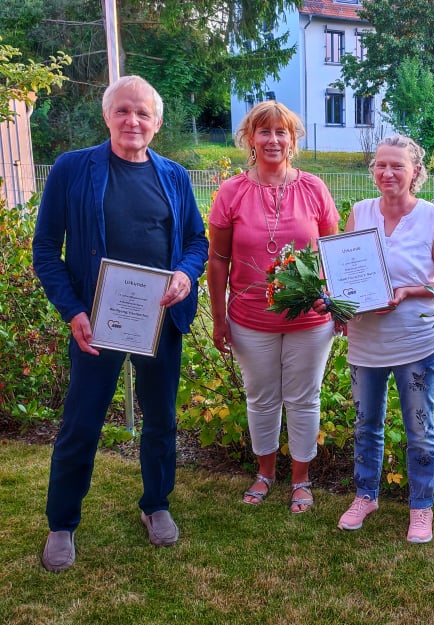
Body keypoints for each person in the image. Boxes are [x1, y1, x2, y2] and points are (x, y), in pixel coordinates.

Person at [32, 75, 208, 572]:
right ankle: (62, 523)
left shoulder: (173, 175)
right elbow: (46, 249)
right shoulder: (72, 169)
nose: (134, 121)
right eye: (124, 111)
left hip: (159, 321)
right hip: (96, 323)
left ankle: (156, 505)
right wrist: (73, 310)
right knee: (81, 423)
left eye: (144, 113)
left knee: (162, 420)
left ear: (157, 122)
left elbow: (197, 241)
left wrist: (185, 274)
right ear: (107, 116)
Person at [207, 101, 339, 512]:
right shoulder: (231, 192)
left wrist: (339, 307)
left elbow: (334, 254)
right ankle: (265, 473)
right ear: (250, 138)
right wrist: (218, 318)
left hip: (310, 319)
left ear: (293, 139)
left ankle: (301, 479)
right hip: (250, 319)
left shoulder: (314, 188)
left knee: (304, 398)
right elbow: (218, 260)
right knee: (261, 398)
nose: (273, 140)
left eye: (282, 132)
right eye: (264, 132)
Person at [329, 135, 434, 543]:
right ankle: (365, 495)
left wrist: (409, 291)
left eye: (397, 166)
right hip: (366, 341)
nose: (387, 172)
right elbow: (343, 272)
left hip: (417, 340)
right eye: (380, 165)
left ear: (415, 172)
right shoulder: (359, 211)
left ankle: (421, 507)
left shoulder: (433, 216)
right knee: (366, 424)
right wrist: (340, 305)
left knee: (419, 427)